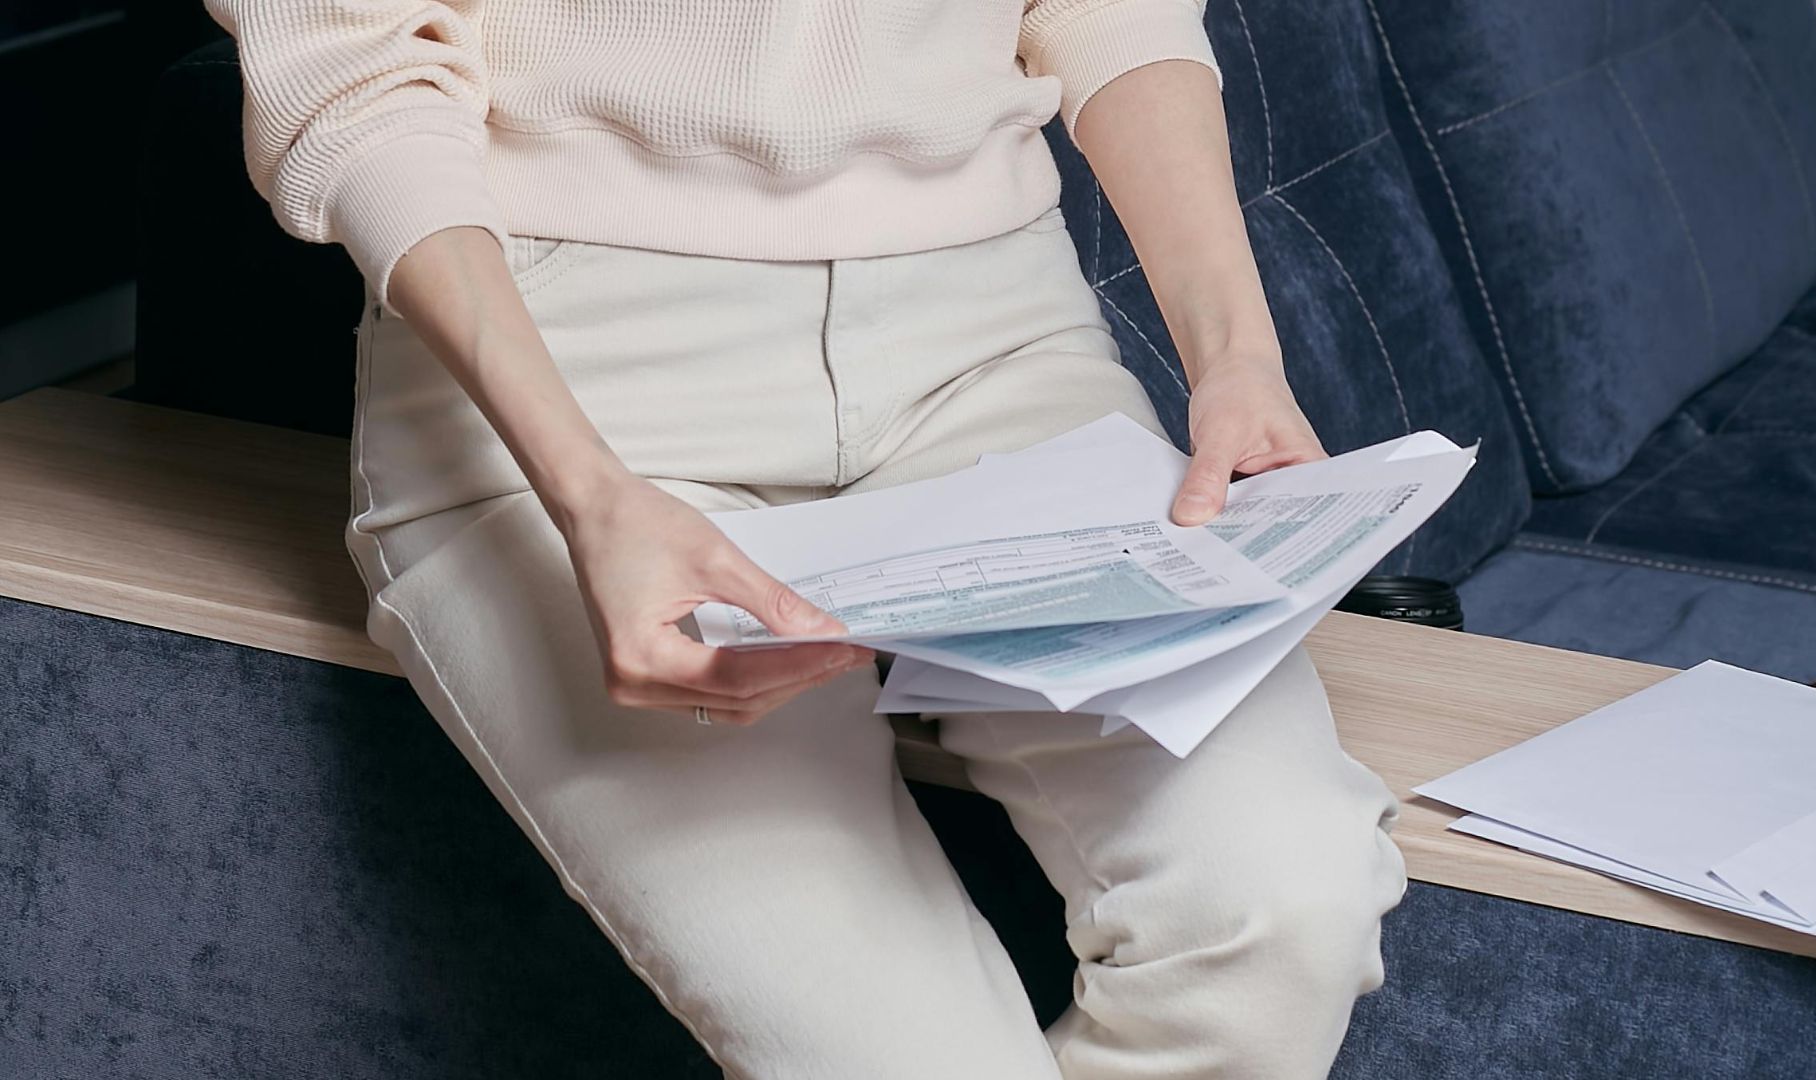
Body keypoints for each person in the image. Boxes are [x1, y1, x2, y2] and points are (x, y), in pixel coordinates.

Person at [208, 1, 1408, 1076]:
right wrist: (588, 491)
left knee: (1283, 908)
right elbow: (353, 80)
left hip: (997, 343)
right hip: (571, 367)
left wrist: (1237, 352)